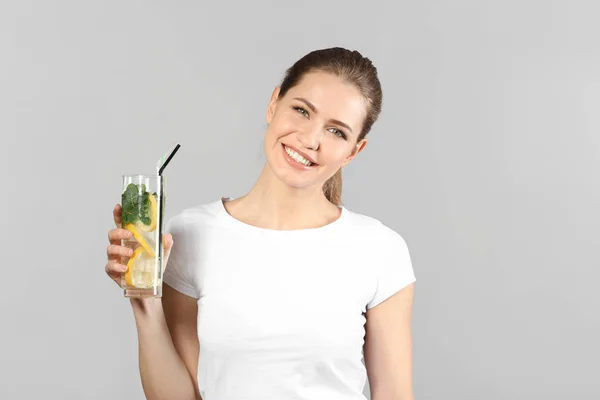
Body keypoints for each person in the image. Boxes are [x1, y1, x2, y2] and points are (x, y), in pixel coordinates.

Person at [105, 47, 416, 400]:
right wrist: (144, 300)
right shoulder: (192, 234)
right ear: (273, 104)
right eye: (301, 111)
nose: (310, 140)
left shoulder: (379, 250)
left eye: (337, 132)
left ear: (353, 151)